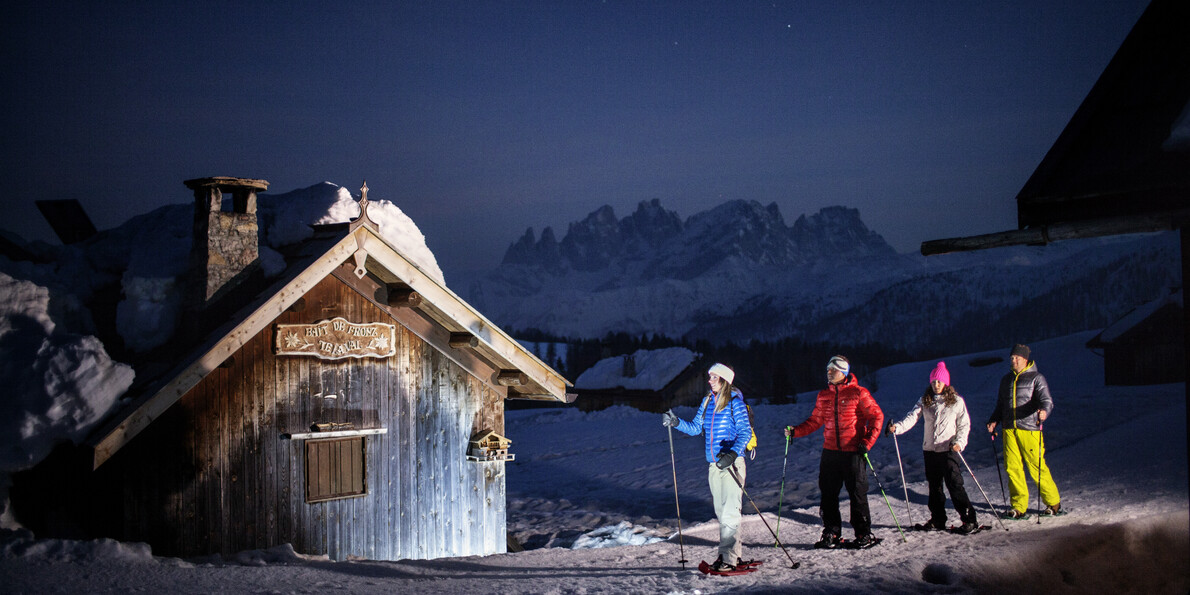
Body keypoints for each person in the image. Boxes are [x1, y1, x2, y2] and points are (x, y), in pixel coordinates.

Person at [785, 355, 884, 549]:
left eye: (833, 370)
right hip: (830, 452)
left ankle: (863, 533)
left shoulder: (858, 393)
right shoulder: (824, 395)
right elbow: (815, 421)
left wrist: (867, 441)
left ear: (844, 373)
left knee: (857, 493)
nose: (829, 373)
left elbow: (876, 417)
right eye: (828, 370)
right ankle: (831, 531)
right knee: (828, 494)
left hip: (853, 452)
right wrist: (796, 431)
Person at [662, 363, 752, 572]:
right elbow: (695, 428)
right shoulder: (707, 402)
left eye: (714, 377)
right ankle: (734, 555)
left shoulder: (734, 403)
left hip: (731, 465)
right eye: (710, 376)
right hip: (714, 465)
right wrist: (676, 422)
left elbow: (745, 432)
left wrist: (732, 454)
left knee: (730, 512)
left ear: (725, 380)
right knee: (722, 513)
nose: (709, 380)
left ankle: (727, 559)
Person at [887, 361, 979, 533]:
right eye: (933, 382)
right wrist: (897, 428)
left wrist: (959, 442)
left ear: (946, 382)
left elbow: (964, 425)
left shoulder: (956, 401)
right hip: (930, 450)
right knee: (934, 486)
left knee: (954, 485)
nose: (936, 385)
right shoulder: (925, 400)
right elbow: (912, 417)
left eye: (939, 382)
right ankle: (938, 519)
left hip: (949, 449)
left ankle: (969, 519)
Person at [986, 343, 1061, 518]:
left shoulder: (1036, 378)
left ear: (1025, 359)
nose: (1013, 360)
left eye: (1016, 358)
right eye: (1011, 358)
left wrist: (1044, 412)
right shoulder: (1006, 380)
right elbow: (1000, 405)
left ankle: (1053, 503)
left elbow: (1047, 401)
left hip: (1029, 428)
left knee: (1036, 466)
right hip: (1009, 429)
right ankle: (1019, 507)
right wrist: (994, 420)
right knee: (1012, 467)